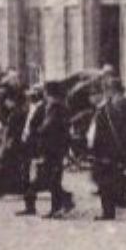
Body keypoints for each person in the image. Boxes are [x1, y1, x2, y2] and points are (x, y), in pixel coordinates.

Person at [90, 77, 126, 221]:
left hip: (109, 150)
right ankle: (125, 196)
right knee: (112, 176)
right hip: (114, 148)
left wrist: (108, 151)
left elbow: (113, 131)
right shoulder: (112, 105)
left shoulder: (111, 107)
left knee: (106, 179)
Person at [21, 80, 75, 218]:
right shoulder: (58, 105)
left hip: (52, 147)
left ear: (48, 92)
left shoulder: (55, 106)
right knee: (51, 178)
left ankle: (59, 205)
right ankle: (59, 204)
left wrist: (38, 132)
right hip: (55, 147)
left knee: (51, 178)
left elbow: (49, 125)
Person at [0, 72, 31, 197]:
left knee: (3, 158)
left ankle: (4, 188)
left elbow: (17, 111)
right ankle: (8, 187)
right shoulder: (13, 96)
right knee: (6, 158)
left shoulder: (17, 97)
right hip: (10, 130)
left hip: (12, 131)